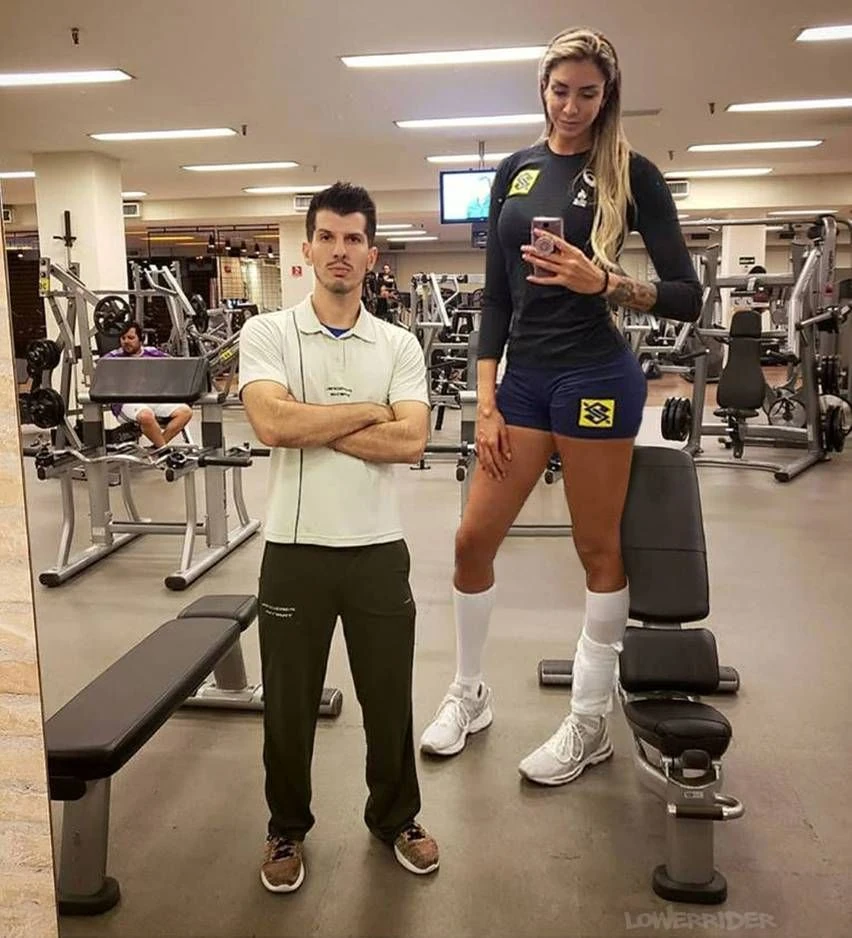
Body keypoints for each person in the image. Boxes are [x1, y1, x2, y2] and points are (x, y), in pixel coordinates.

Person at [419, 27, 702, 784]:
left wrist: (603, 281)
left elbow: (686, 295)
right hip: (522, 384)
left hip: (596, 379)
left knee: (596, 548)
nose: (571, 106)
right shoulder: (515, 170)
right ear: (541, 89)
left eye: (587, 93)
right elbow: (496, 299)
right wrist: (484, 401)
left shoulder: (631, 174)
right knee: (471, 541)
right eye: (560, 90)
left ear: (607, 97)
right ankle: (469, 693)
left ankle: (589, 721)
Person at [238, 182, 438, 894]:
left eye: (354, 239)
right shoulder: (268, 333)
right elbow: (272, 425)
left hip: (378, 548)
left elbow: (411, 441)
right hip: (294, 550)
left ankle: (396, 818)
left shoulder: (399, 344)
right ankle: (285, 828)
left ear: (371, 254)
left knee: (389, 699)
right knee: (287, 707)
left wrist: (314, 420)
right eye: (327, 236)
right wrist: (368, 413)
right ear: (308, 248)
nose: (340, 251)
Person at [103, 322, 192, 448]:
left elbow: (175, 366)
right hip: (125, 403)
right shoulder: (113, 357)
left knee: (185, 412)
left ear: (141, 339)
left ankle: (157, 449)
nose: (126, 341)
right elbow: (100, 374)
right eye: (123, 338)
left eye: (131, 338)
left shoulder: (153, 353)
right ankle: (163, 450)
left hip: (151, 399)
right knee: (146, 416)